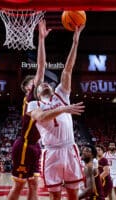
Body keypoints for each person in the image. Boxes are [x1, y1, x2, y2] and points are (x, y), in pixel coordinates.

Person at [28, 24, 85, 200]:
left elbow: (68, 69)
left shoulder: (61, 94)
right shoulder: (33, 105)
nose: (44, 83)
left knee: (73, 194)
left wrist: (75, 42)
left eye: (47, 83)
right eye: (41, 84)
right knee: (55, 196)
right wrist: (64, 109)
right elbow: (42, 117)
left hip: (69, 148)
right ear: (37, 91)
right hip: (51, 152)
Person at [7, 19, 50, 200]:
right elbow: (41, 67)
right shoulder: (30, 96)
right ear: (27, 88)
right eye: (33, 83)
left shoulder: (42, 99)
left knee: (34, 184)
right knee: (19, 185)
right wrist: (41, 39)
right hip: (24, 145)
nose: (37, 83)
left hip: (35, 146)